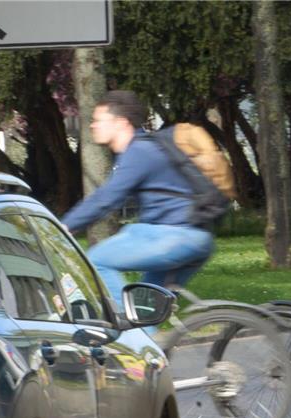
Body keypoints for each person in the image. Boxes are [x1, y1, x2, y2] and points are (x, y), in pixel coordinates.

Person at [60, 90, 214, 307]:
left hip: (174, 237)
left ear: (121, 123)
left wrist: (65, 226)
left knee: (97, 260)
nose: (93, 125)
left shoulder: (139, 152)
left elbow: (106, 198)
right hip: (196, 238)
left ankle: (125, 325)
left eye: (98, 120)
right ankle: (138, 335)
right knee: (144, 311)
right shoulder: (147, 148)